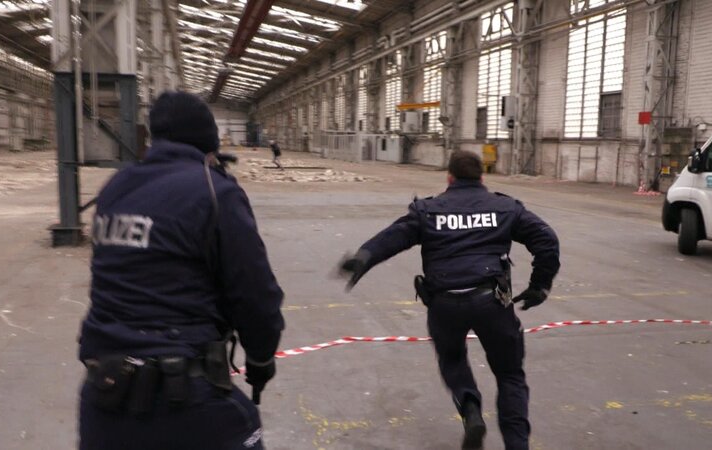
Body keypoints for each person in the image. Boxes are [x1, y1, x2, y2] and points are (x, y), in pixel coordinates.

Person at [78, 91, 285, 450]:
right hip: (183, 398)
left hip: (103, 393)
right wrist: (260, 359)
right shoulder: (214, 191)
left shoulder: (115, 188)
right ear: (209, 145)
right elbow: (255, 295)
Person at [338, 150, 560, 450]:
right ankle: (517, 444)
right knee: (509, 374)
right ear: (482, 177)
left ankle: (470, 408)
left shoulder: (428, 210)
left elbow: (393, 237)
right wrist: (540, 285)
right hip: (491, 301)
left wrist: (363, 257)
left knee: (452, 359)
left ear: (449, 177)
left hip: (444, 304)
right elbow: (546, 239)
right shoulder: (505, 207)